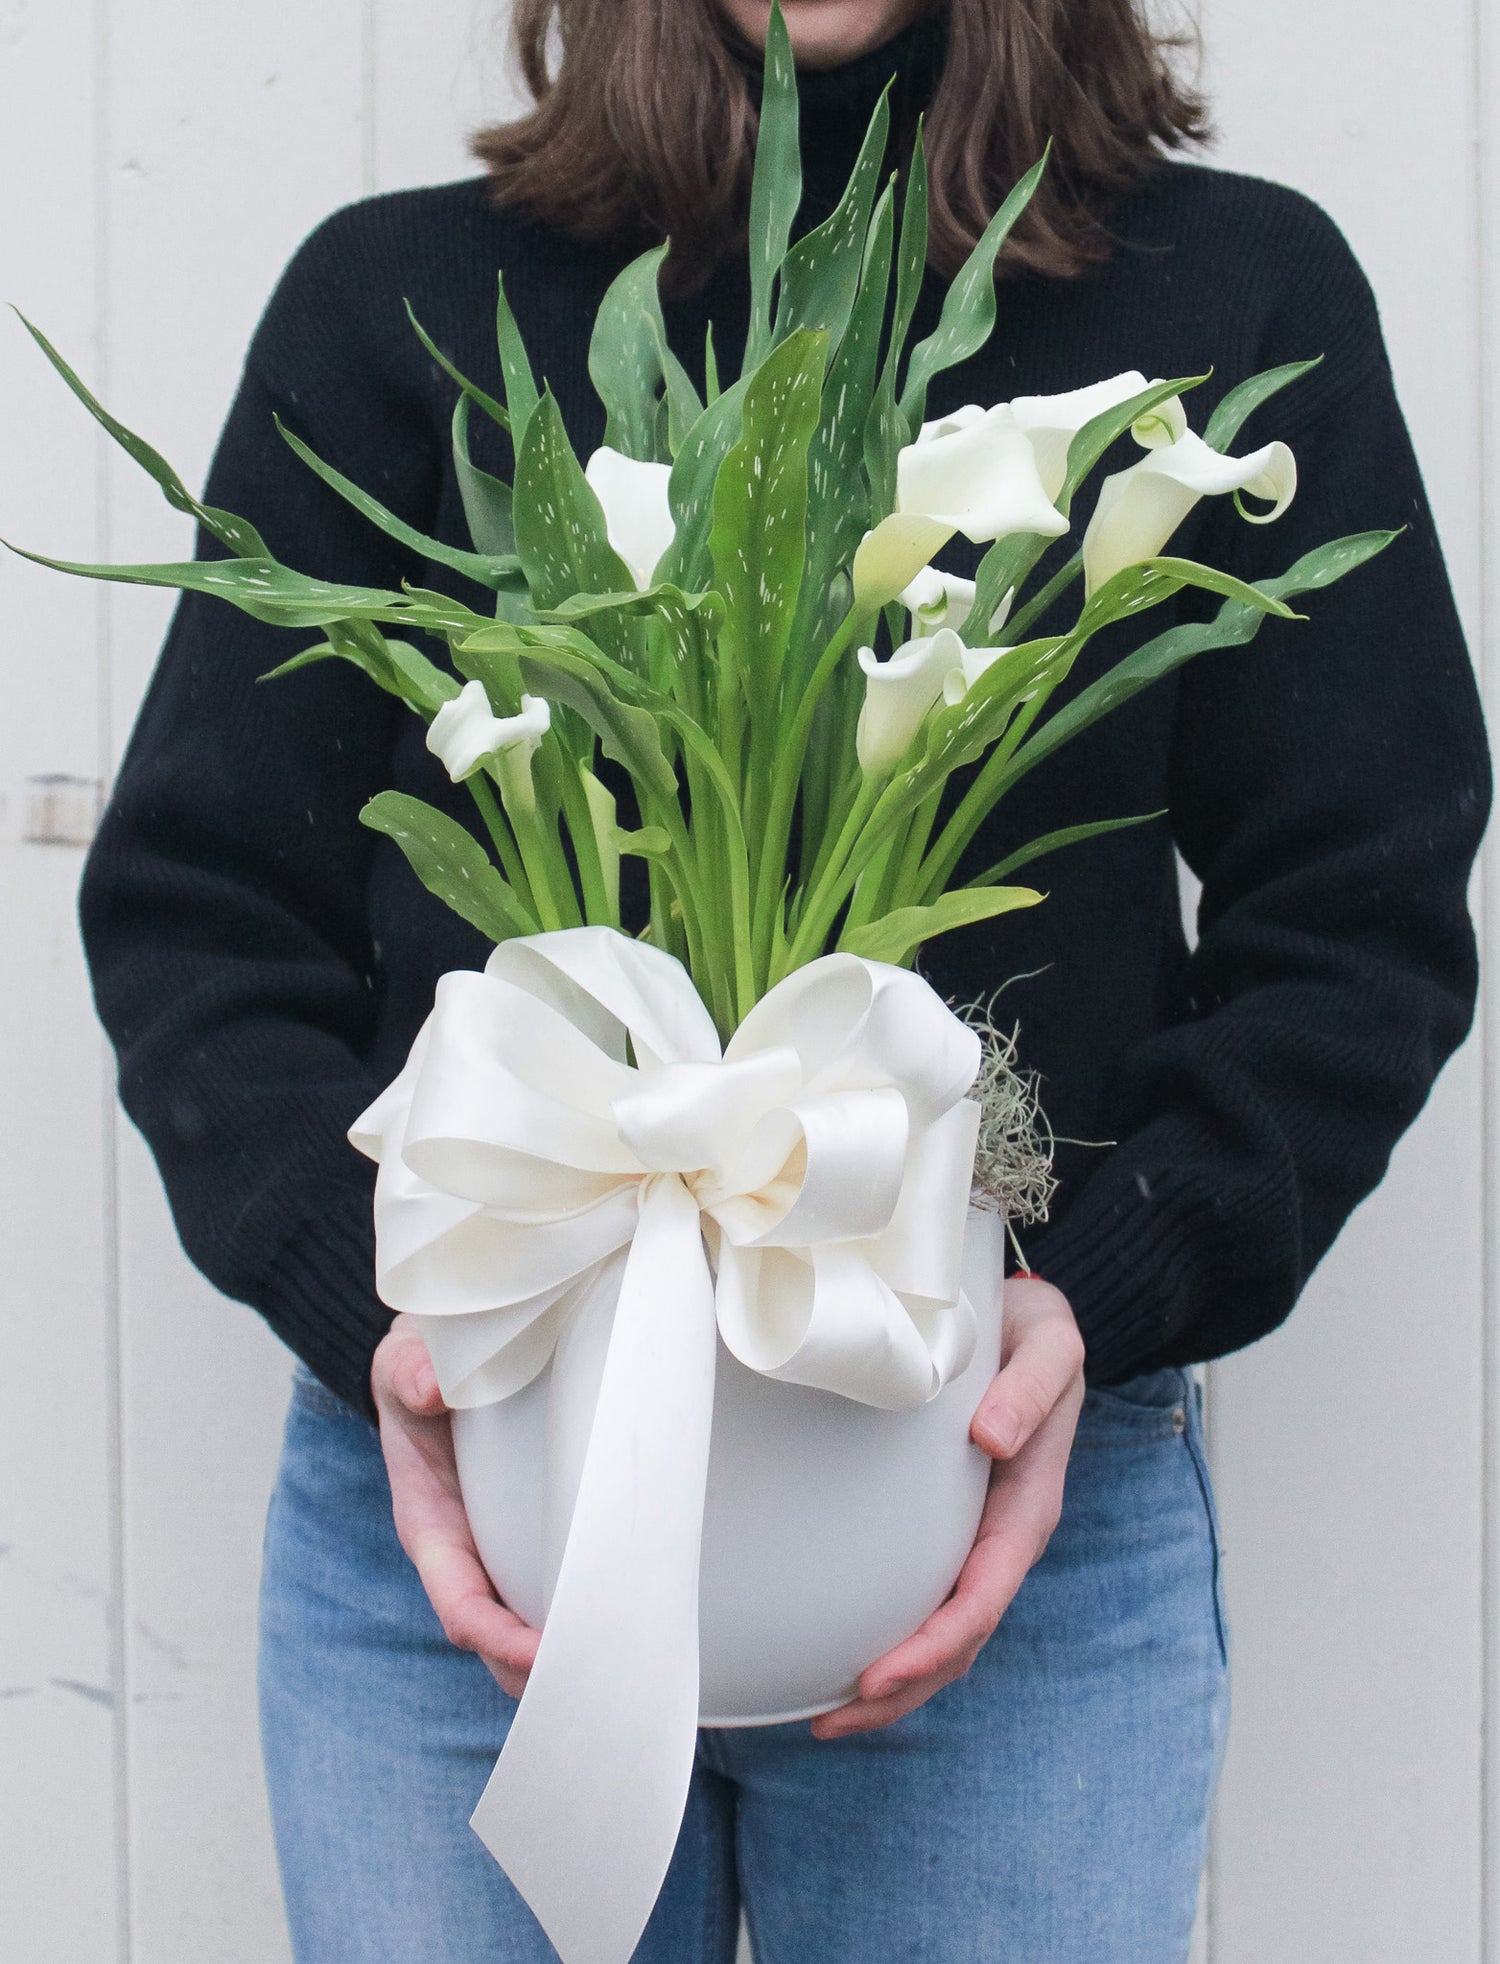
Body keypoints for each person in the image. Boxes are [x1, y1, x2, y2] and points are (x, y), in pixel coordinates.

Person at [77, 0, 1488, 1958]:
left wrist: (1102, 1298)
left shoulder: (1237, 295)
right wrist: (375, 1318)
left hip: (1014, 1532)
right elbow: (201, 903)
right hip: (479, 1551)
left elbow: (1359, 916)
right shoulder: (397, 305)